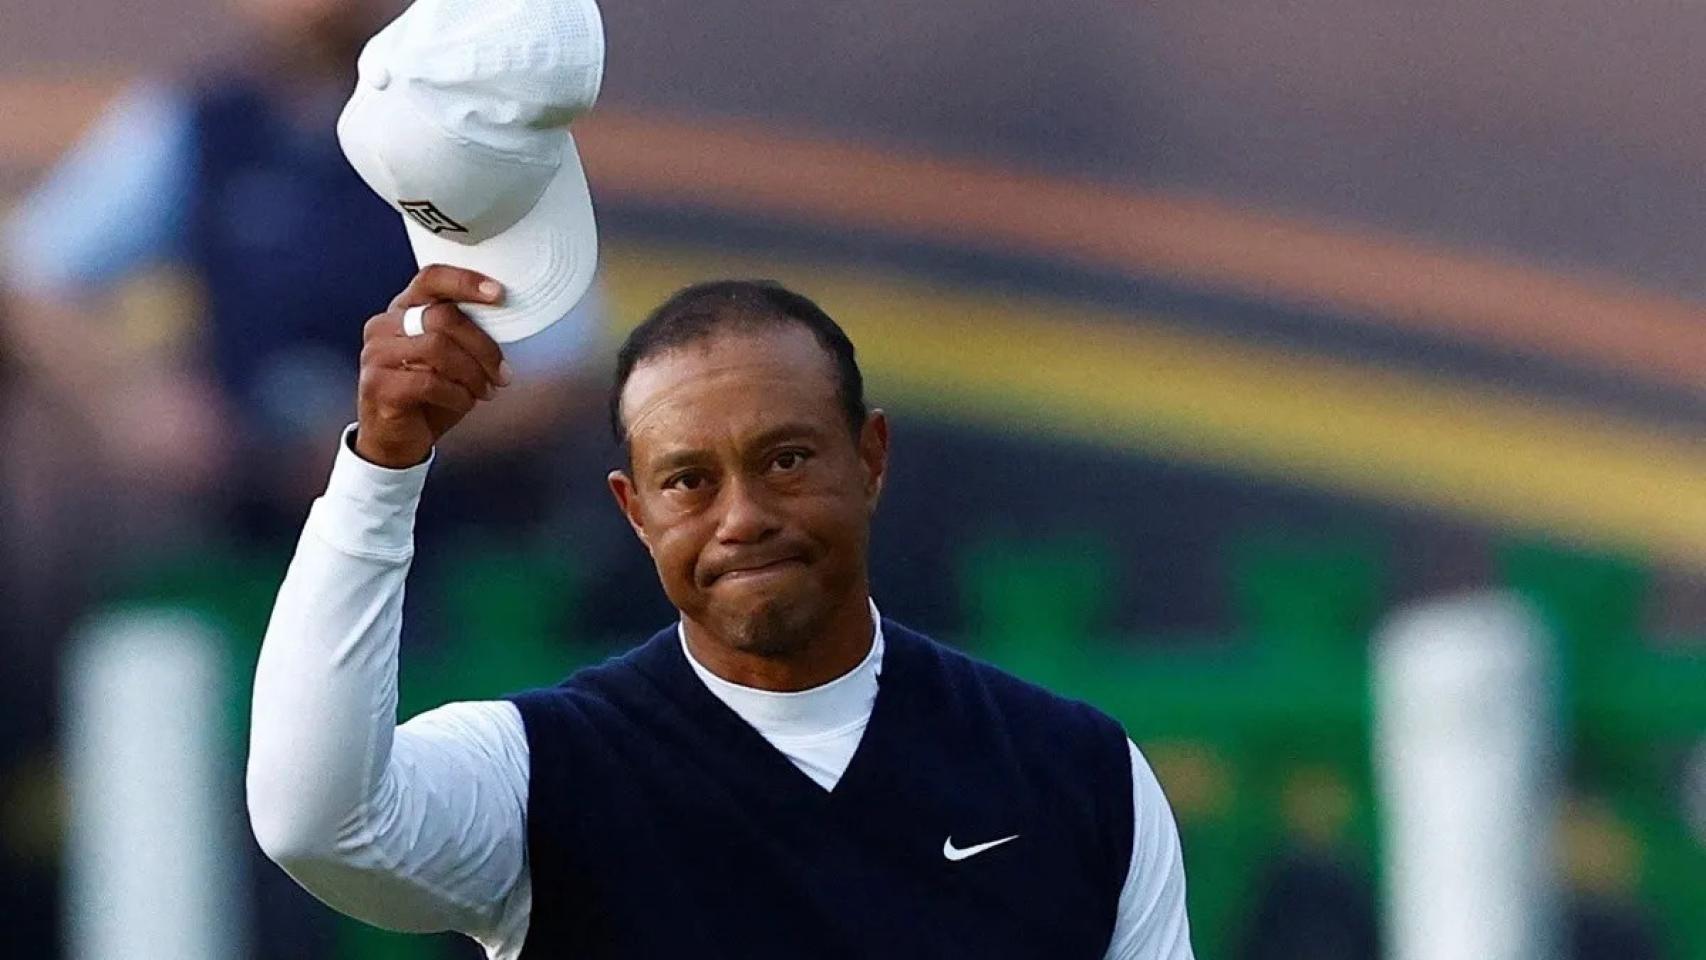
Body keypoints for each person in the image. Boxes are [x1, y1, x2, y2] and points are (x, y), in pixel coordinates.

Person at [246, 267, 1194, 958]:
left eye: (786, 460)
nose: (742, 518)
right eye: (689, 480)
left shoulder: (1078, 773)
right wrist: (381, 469)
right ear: (635, 512)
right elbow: (315, 822)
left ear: (870, 459)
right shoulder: (545, 768)